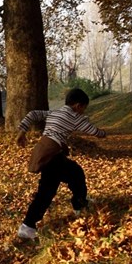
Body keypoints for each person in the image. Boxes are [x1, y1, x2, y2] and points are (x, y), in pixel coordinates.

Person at [15, 88, 107, 240]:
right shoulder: (75, 117)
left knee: (76, 173)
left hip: (47, 152)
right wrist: (103, 133)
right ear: (78, 106)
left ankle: (80, 203)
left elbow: (32, 114)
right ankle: (28, 226)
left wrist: (22, 132)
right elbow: (93, 131)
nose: (83, 112)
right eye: (84, 108)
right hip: (52, 156)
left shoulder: (55, 112)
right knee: (46, 191)